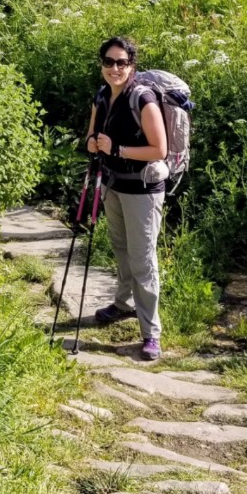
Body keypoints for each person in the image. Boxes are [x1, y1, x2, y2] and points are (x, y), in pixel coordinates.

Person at [86, 36, 169, 361]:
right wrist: (93, 145)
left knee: (143, 260)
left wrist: (117, 149)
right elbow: (91, 137)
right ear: (102, 65)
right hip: (112, 185)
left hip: (143, 191)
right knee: (120, 250)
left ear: (132, 65)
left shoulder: (142, 99)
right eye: (109, 62)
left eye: (122, 62)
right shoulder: (102, 96)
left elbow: (159, 150)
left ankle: (152, 335)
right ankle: (123, 304)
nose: (114, 68)